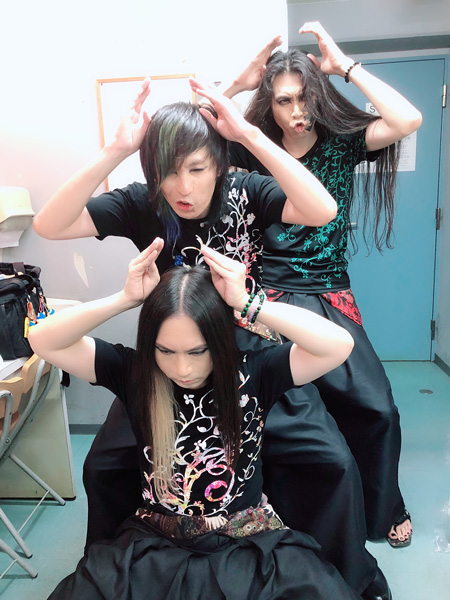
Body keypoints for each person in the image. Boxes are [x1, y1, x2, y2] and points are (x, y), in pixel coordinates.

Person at [33, 81, 391, 599]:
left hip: (250, 357)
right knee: (104, 464)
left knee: (331, 460)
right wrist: (114, 150)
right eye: (167, 172)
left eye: (197, 169)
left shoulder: (246, 190)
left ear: (219, 165)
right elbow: (49, 224)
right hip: (168, 361)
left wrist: (247, 134)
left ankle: (332, 568)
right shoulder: (142, 202)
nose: (182, 186)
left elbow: (322, 210)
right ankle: (128, 563)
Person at [29, 242, 360, 600]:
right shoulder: (134, 373)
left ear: (219, 341)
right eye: (165, 351)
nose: (182, 368)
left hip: (246, 541)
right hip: (157, 543)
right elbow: (42, 339)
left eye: (198, 351)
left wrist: (249, 303)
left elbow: (338, 345)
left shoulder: (256, 372)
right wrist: (124, 299)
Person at [223, 21, 422, 549]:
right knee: (271, 411)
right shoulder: (253, 148)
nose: (297, 111)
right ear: (270, 103)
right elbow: (191, 131)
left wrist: (345, 67)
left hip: (328, 292)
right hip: (264, 296)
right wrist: (239, 82)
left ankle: (382, 507)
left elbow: (408, 119)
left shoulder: (342, 144)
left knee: (376, 407)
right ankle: (282, 512)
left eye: (305, 97)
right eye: (284, 100)